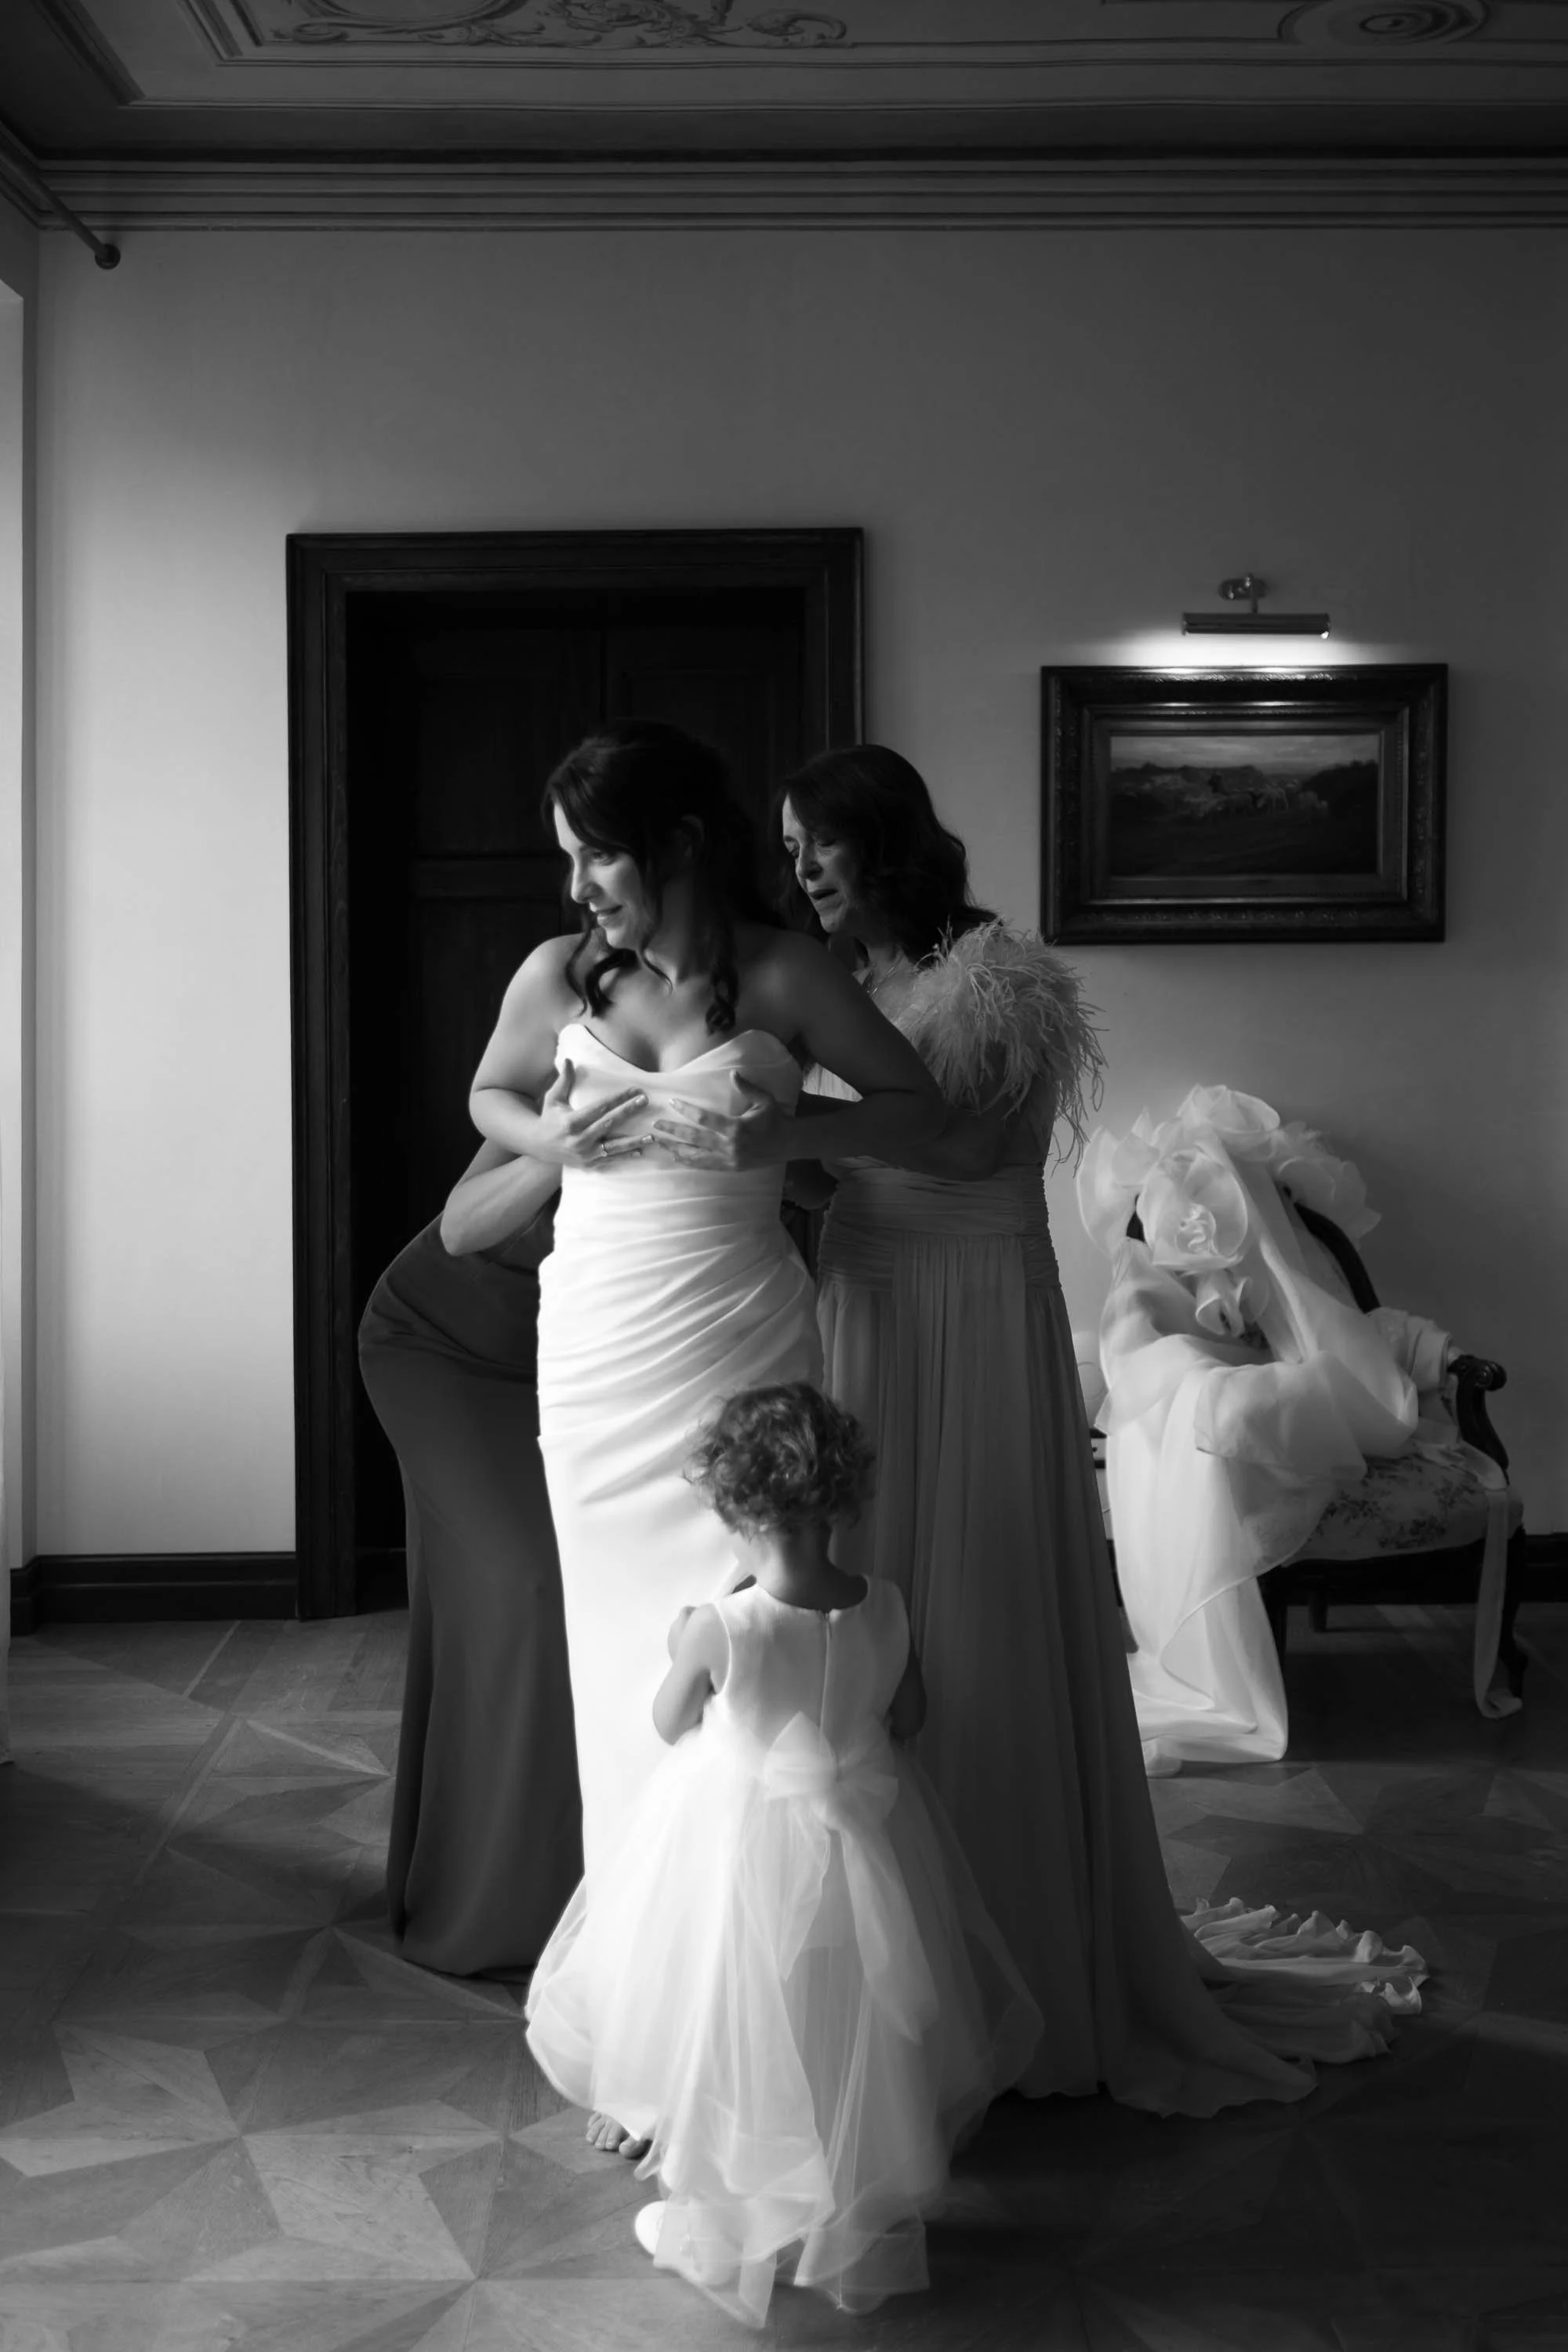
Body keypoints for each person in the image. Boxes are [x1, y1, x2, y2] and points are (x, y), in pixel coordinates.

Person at [773, 744, 1425, 2115]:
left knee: (987, 1601)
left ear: (883, 841)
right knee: (872, 1585)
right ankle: (889, 1953)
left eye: (818, 845)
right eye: (787, 854)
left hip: (966, 1301)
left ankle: (1021, 1950)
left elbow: (953, 1150)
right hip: (870, 1298)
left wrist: (774, 1124)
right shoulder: (844, 986)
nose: (801, 872)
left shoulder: (998, 979)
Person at [460, 719, 942, 1915]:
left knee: (750, 1660)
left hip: (738, 1349)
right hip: (594, 1360)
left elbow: (915, 1109)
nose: (579, 889)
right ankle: (649, 1992)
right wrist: (551, 1138)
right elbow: (489, 1091)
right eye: (569, 863)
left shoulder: (786, 973)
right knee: (626, 1665)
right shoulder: (554, 975)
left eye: (599, 860)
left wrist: (794, 1136)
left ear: (676, 844)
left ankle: (769, 1982)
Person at [524, 1382, 1042, 2328]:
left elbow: (669, 1720)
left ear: (736, 1509)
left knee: (735, 2007)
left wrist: (686, 1641)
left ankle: (729, 2214)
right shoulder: (885, 1605)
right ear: (837, 1498)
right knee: (841, 2015)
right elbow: (912, 1719)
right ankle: (850, 2191)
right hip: (870, 1848)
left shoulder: (721, 1626)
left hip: (738, 1852)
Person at [358, 1158, 580, 1976]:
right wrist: (565, 1136)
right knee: (527, 1589)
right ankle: (485, 1899)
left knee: (596, 1597)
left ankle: (580, 1889)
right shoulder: (565, 1038)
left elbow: (809, 1181)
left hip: (582, 1359)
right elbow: (462, 1222)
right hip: (438, 1345)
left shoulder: (743, 1048)